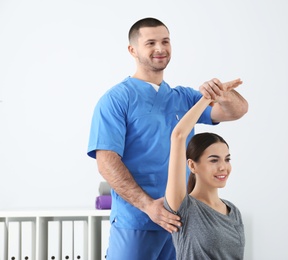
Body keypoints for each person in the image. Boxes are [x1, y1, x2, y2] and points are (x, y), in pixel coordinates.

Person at [87, 17, 248, 260]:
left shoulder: (182, 98)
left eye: (165, 41)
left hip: (181, 222)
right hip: (137, 223)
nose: (160, 48)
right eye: (150, 43)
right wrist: (148, 206)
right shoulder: (116, 100)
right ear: (133, 50)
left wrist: (221, 94)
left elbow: (237, 110)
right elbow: (106, 162)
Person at [164, 90, 245, 259]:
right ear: (192, 165)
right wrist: (207, 97)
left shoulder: (233, 211)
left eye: (227, 159)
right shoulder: (183, 207)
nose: (223, 167)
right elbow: (178, 136)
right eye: (214, 160)